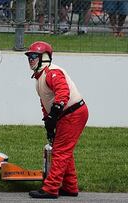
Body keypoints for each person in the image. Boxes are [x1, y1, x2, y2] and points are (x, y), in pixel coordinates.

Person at [24, 41, 89, 199]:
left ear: (44, 57)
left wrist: (53, 115)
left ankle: (51, 189)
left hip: (72, 114)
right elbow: (45, 103)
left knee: (60, 151)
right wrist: (49, 122)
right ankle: (70, 186)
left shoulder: (52, 72)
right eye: (29, 57)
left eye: (34, 56)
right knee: (65, 151)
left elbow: (63, 93)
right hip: (68, 114)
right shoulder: (40, 78)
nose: (30, 59)